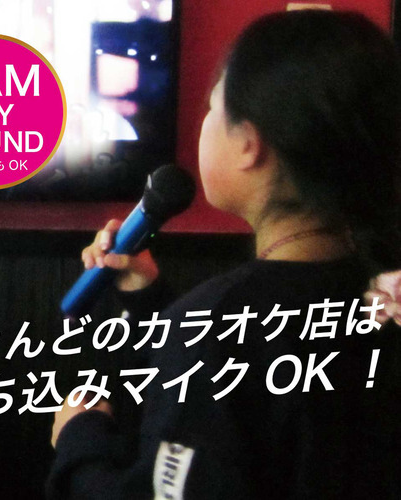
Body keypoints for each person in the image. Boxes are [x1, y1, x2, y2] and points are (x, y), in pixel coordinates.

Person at [47, 9, 401, 499]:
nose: (204, 124)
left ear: (250, 145)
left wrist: (78, 439)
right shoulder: (381, 295)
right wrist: (150, 301)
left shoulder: (219, 329)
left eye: (212, 108)